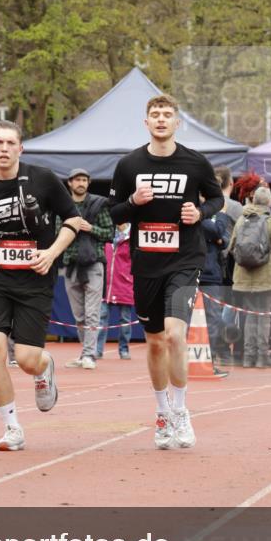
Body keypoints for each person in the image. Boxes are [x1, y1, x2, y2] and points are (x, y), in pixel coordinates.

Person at [0, 120, 81, 452]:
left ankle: (44, 367)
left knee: (25, 358)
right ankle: (12, 427)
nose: (5, 148)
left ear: (20, 148)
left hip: (35, 278)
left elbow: (73, 221)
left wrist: (51, 253)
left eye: (11, 143)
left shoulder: (44, 180)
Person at [109, 94, 224, 450]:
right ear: (146, 123)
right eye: (155, 115)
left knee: (176, 335)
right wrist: (133, 203)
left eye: (167, 114)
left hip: (185, 259)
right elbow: (114, 213)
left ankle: (182, 411)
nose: (161, 119)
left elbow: (216, 198)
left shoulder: (195, 162)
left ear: (177, 123)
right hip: (146, 263)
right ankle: (162, 413)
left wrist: (200, 214)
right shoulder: (129, 165)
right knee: (156, 341)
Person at [61, 169, 114, 370]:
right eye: (77, 180)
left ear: (88, 183)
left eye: (84, 180)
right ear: (70, 183)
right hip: (71, 264)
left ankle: (90, 354)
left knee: (93, 312)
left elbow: (110, 233)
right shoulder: (64, 205)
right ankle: (85, 352)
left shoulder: (99, 204)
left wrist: (90, 228)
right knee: (79, 316)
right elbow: (58, 232)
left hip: (94, 263)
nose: (81, 183)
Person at [229, 186, 271, 368]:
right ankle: (262, 357)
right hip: (266, 278)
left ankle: (248, 357)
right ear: (269, 201)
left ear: (253, 200)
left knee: (250, 316)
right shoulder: (270, 221)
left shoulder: (241, 219)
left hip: (244, 277)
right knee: (263, 316)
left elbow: (231, 246)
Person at [96, 223, 136, 360]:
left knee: (125, 320)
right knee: (101, 319)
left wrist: (130, 277)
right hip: (106, 285)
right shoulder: (108, 234)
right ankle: (97, 350)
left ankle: (124, 350)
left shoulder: (133, 236)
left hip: (125, 285)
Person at [199, 209, 231, 376]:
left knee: (213, 320)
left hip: (211, 273)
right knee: (203, 319)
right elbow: (217, 231)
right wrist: (222, 216)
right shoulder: (196, 208)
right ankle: (198, 363)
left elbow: (225, 240)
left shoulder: (213, 215)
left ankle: (208, 362)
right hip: (198, 272)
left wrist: (218, 238)